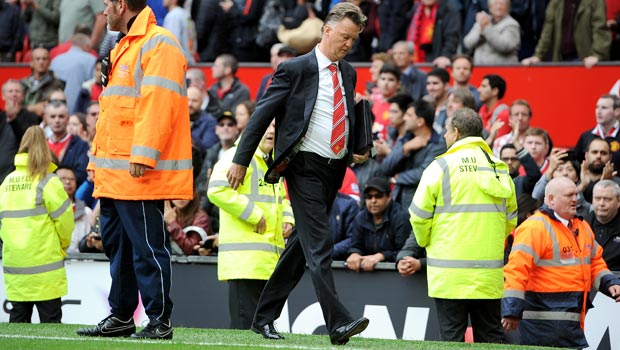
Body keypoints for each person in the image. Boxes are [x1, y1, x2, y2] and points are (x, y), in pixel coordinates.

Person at [226, 3, 370, 345]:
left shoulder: (348, 73)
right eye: (345, 37)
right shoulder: (293, 69)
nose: (348, 44)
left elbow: (344, 115)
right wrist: (241, 160)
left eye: (354, 39)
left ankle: (262, 318)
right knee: (321, 244)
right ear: (326, 31)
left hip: (334, 168)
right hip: (302, 166)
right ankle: (338, 322)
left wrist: (358, 146)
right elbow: (262, 115)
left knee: (301, 248)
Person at [76, 0, 192, 340]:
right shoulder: (122, 45)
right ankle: (122, 316)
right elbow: (112, 114)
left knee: (147, 249)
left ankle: (159, 320)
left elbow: (159, 104)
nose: (103, 11)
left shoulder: (160, 43)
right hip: (114, 174)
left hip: (138, 172)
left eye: (107, 4)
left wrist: (144, 154)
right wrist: (96, 162)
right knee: (119, 250)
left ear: (122, 5)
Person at [409, 108, 517, 343]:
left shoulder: (441, 167)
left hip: (449, 275)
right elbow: (510, 221)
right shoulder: (499, 169)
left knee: (452, 339)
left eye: (447, 132)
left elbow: (418, 215)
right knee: (490, 338)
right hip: (488, 275)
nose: (446, 137)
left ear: (455, 133)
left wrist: (426, 241)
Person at [502, 177, 620, 348]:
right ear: (551, 199)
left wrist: (610, 283)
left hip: (571, 324)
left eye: (576, 194)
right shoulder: (535, 227)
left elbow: (595, 263)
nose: (575, 199)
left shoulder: (582, 227)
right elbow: (517, 270)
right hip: (540, 326)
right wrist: (511, 311)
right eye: (568, 195)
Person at [208, 120, 294, 329]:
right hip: (245, 262)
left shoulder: (272, 161)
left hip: (266, 262)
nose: (272, 131)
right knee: (246, 330)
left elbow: (281, 198)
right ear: (253, 129)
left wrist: (288, 219)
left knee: (260, 333)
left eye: (276, 126)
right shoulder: (235, 156)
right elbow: (216, 190)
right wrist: (254, 215)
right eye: (268, 125)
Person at [0, 126, 74, 323]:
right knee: (51, 331)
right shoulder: (49, 181)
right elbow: (66, 223)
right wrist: (62, 246)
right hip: (46, 267)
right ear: (45, 147)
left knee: (18, 328)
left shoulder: (7, 182)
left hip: (15, 264)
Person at [381, 99, 446, 209]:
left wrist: (397, 178)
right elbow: (385, 167)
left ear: (420, 121)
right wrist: (404, 149)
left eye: (409, 115)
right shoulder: (406, 139)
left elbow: (424, 174)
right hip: (398, 203)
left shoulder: (438, 144)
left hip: (423, 206)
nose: (404, 118)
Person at [345, 177, 410, 271]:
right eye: (369, 197)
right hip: (366, 275)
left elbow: (405, 252)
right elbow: (356, 245)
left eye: (378, 196)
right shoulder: (360, 217)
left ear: (389, 196)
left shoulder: (400, 218)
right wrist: (354, 254)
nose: (373, 201)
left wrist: (381, 256)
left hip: (396, 274)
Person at [521, 0, 610, 68]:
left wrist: (597, 55)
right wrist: (538, 55)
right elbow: (547, 31)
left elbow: (600, 30)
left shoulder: (595, 2)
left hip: (585, 60)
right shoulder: (556, 2)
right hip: (560, 59)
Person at [0, 79, 40, 183]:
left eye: (17, 91)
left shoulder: (31, 117)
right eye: (10, 91)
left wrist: (13, 120)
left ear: (23, 96)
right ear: (3, 96)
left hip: (18, 175)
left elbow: (27, 142)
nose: (14, 94)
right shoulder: (1, 117)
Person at [45, 101, 90, 186]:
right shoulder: (42, 146)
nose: (57, 120)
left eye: (61, 116)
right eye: (53, 116)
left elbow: (81, 175)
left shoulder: (81, 145)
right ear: (47, 119)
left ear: (68, 119)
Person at [404, 0, 460, 68]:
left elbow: (452, 37)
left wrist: (445, 56)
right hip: (416, 60)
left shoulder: (449, 9)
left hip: (437, 62)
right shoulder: (415, 9)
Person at [462, 0, 520, 65]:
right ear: (490, 7)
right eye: (495, 3)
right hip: (479, 68)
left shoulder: (512, 24)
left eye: (502, 4)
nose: (498, 6)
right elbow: (467, 43)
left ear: (507, 7)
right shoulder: (483, 20)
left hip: (503, 69)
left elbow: (505, 46)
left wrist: (487, 28)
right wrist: (480, 34)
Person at [574, 94, 620, 171]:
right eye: (597, 107)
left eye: (604, 108)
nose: (598, 111)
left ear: (617, 111)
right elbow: (576, 163)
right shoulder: (586, 136)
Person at [164, 189, 213, 256]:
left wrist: (173, 224)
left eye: (185, 192)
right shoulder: (166, 214)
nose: (181, 197)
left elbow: (191, 249)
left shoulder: (201, 218)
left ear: (193, 194)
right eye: (176, 192)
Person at [56, 165, 92, 253]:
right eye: (63, 179)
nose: (68, 182)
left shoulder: (86, 212)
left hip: (81, 262)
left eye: (72, 179)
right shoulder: (48, 209)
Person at [20, 48, 65, 117]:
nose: (41, 62)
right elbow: (15, 108)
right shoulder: (21, 84)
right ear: (31, 62)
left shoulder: (58, 84)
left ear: (49, 62)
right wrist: (33, 108)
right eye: (38, 59)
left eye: (44, 59)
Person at [586, 180, 620, 271]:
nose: (601, 203)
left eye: (607, 199)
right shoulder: (581, 225)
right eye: (597, 198)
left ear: (618, 201)